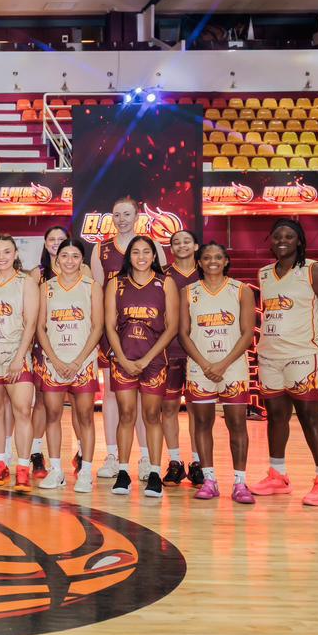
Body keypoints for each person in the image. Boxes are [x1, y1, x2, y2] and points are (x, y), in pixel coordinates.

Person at [249, 218, 318, 507]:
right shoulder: (264, 273)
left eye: (289, 236)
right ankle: (278, 475)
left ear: (299, 241)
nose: (282, 241)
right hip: (270, 354)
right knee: (275, 415)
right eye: (277, 236)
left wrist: (311, 338)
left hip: (305, 354)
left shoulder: (314, 270)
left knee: (309, 416)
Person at [91, 197, 166, 480]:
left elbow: (161, 289)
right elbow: (98, 292)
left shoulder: (153, 246)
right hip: (114, 334)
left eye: (126, 213)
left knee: (146, 400)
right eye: (116, 214)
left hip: (148, 334)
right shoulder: (101, 248)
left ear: (137, 215)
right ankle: (112, 455)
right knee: (112, 395)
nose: (121, 218)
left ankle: (146, 459)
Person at [180, 242, 256, 504]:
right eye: (207, 257)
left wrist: (222, 364)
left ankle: (240, 482)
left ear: (226, 261)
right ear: (199, 262)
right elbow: (183, 333)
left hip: (232, 368)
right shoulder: (189, 292)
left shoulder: (241, 290)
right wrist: (204, 363)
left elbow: (248, 333)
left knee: (237, 424)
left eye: (218, 257)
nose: (212, 261)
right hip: (200, 368)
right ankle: (209, 479)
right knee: (202, 424)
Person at [103, 235, 178, 499]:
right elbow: (109, 326)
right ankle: (123, 471)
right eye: (136, 252)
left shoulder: (165, 282)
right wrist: (122, 358)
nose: (142, 256)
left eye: (147, 251)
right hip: (123, 359)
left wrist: (147, 359)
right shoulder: (116, 284)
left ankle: (155, 472)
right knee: (126, 414)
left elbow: (172, 327)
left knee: (152, 416)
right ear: (129, 257)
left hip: (154, 361)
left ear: (155, 255)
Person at [0, 234, 40, 492]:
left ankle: (23, 469)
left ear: (15, 254)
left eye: (6, 252)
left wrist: (18, 358)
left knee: (23, 411)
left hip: (16, 355)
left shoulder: (26, 282)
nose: (1, 257)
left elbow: (31, 324)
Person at [35, 238, 102, 493]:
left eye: (75, 256)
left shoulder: (91, 287)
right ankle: (56, 470)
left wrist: (77, 360)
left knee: (85, 417)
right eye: (65, 255)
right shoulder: (46, 288)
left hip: (82, 361)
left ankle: (85, 471)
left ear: (81, 260)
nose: (69, 261)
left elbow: (97, 327)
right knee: (52, 415)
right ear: (57, 259)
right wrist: (53, 358)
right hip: (54, 362)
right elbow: (41, 327)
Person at [162, 228, 201, 485]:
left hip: (201, 352)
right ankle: (175, 461)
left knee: (199, 410)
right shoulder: (163, 275)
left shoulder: (208, 270)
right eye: (177, 242)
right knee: (169, 407)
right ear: (171, 248)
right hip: (171, 350)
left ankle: (199, 462)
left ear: (196, 246)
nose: (182, 245)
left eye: (187, 241)